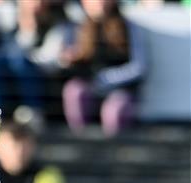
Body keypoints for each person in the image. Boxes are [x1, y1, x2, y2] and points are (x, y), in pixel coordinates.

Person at [61, 0, 146, 136]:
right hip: (91, 89)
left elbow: (139, 67)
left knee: (113, 110)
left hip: (121, 90)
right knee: (74, 91)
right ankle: (82, 142)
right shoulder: (77, 28)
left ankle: (114, 151)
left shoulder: (127, 27)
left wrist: (105, 79)